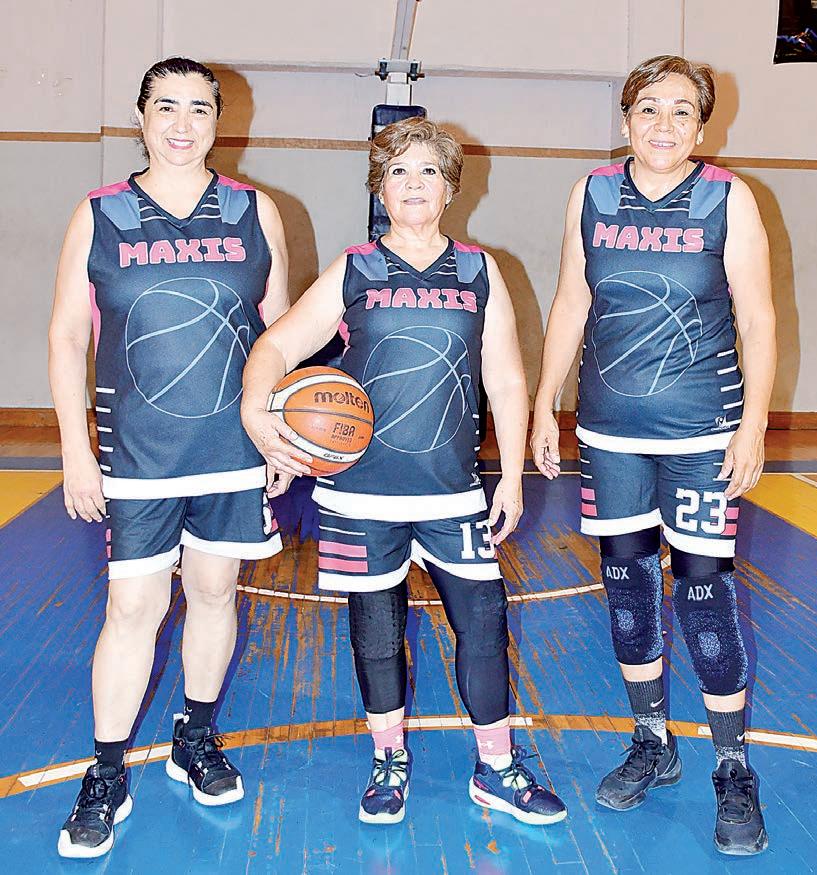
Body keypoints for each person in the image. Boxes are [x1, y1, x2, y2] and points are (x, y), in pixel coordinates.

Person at [241, 117, 566, 826]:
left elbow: (505, 378)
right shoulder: (354, 269)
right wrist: (258, 415)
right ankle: (388, 758)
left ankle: (497, 766)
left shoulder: (479, 271)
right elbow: (275, 346)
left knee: (484, 624)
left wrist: (512, 476)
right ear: (380, 189)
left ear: (450, 187)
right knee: (377, 634)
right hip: (359, 494)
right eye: (397, 172)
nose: (413, 184)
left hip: (452, 492)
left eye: (427, 171)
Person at [531, 55, 776, 855]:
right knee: (629, 592)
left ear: (701, 126)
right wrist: (544, 401)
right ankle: (651, 740)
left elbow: (758, 318)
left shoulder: (728, 198)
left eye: (679, 111)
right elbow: (572, 300)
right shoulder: (591, 193)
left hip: (702, 430)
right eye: (647, 108)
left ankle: (731, 765)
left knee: (703, 595)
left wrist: (752, 424)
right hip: (609, 433)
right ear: (626, 118)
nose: (662, 124)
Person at [48, 57, 289, 858]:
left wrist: (280, 427)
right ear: (141, 116)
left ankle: (196, 735)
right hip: (136, 452)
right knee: (132, 609)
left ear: (219, 121)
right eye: (166, 107)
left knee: (216, 591)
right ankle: (106, 771)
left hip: (231, 446)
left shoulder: (254, 210)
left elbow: (280, 330)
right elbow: (67, 335)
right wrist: (76, 449)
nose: (182, 124)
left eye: (198, 109)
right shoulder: (100, 213)